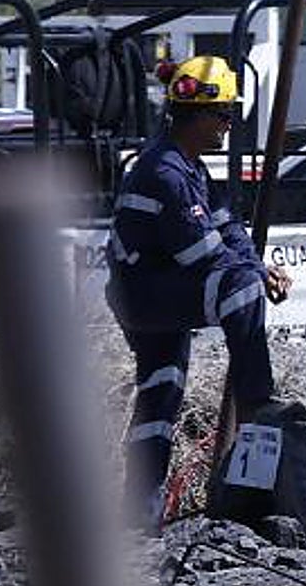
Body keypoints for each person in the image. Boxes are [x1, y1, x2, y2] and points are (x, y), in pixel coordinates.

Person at [106, 56, 290, 531]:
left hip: (151, 295)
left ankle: (138, 513)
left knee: (161, 394)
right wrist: (254, 276)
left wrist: (258, 265)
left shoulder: (187, 167)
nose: (229, 126)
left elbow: (230, 231)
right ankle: (256, 400)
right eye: (224, 115)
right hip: (147, 296)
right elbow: (201, 253)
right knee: (242, 290)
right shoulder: (165, 172)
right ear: (200, 115)